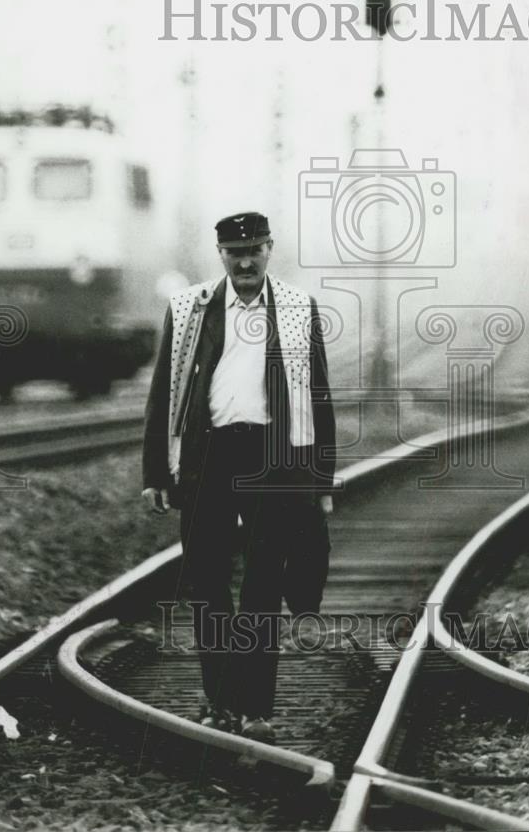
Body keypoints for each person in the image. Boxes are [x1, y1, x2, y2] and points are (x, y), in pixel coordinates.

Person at [142, 211, 336, 743]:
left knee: (263, 585)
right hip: (209, 457)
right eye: (234, 252)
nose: (245, 261)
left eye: (254, 250)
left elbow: (318, 396)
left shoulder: (297, 308)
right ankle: (221, 702)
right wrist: (156, 471)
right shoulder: (190, 309)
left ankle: (256, 710)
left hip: (273, 458)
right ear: (220, 255)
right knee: (206, 581)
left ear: (270, 249)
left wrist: (321, 480)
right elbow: (165, 392)